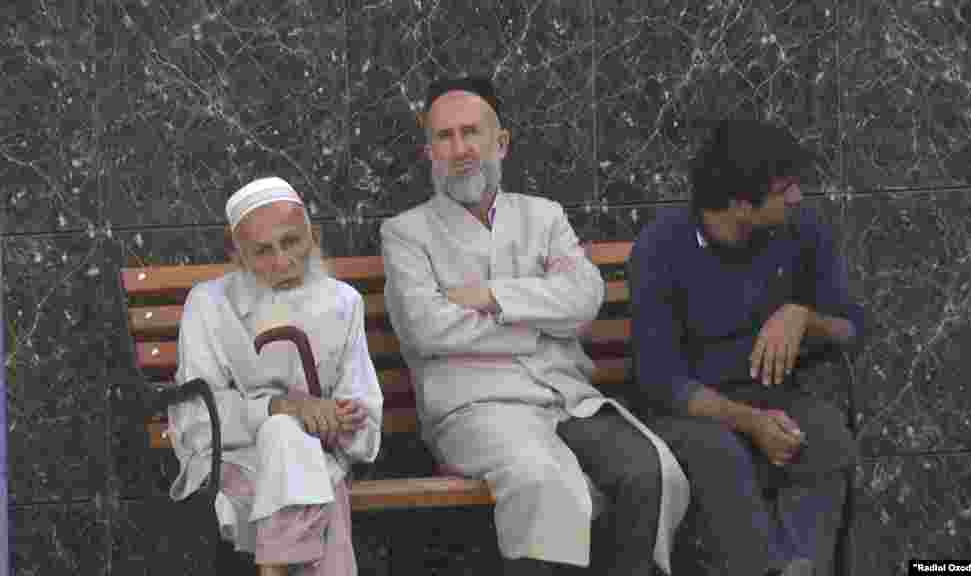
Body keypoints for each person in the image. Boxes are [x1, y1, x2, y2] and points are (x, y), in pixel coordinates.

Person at [381, 76, 690, 576]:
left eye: (471, 132)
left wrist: (490, 297)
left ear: (500, 141)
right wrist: (541, 323)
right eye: (444, 137)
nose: (460, 149)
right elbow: (425, 329)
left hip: (567, 398)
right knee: (543, 481)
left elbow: (585, 297)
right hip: (476, 408)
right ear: (429, 152)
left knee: (649, 471)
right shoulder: (405, 233)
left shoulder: (544, 217)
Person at [629, 118, 864, 576]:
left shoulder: (802, 233)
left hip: (774, 396)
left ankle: (799, 567)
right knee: (721, 452)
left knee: (827, 436)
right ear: (740, 203)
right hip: (688, 409)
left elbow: (853, 330)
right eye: (784, 189)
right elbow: (660, 379)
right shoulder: (662, 246)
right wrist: (751, 422)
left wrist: (803, 316)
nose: (797, 197)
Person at [167, 176, 384, 576]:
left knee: (296, 451)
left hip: (321, 455)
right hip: (234, 461)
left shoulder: (343, 302)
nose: (282, 262)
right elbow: (197, 419)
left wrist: (340, 421)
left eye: (292, 242)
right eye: (262, 251)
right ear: (238, 256)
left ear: (313, 236)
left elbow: (364, 416)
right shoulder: (208, 305)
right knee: (290, 443)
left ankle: (274, 565)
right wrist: (280, 409)